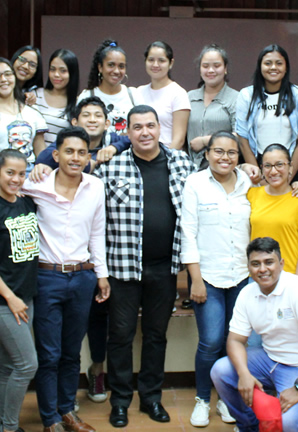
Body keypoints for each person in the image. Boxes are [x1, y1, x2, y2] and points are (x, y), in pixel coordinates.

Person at [93, 105, 195, 427]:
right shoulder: (111, 167)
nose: (145, 132)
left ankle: (151, 398)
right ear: (128, 133)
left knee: (155, 335)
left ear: (159, 127)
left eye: (150, 125)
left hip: (164, 268)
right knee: (120, 336)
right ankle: (120, 401)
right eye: (137, 127)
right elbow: (94, 218)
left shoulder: (182, 163)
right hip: (122, 269)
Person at [21, 127, 109, 432]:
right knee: (49, 354)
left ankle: (67, 410)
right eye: (68, 151)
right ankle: (50, 419)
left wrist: (102, 274)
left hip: (82, 277)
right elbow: (4, 188)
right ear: (56, 154)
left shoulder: (95, 186)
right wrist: (35, 168)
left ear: (88, 156)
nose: (75, 158)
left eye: (81, 152)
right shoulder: (36, 183)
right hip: (46, 278)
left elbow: (97, 232)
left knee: (72, 352)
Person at [210, 237, 298, 432]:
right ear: (249, 267)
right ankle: (250, 426)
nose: (262, 269)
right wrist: (244, 374)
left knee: (291, 424)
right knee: (220, 371)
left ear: (281, 264)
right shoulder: (247, 294)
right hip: (271, 359)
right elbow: (235, 340)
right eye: (256, 264)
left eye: (268, 262)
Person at [182, 131, 252, 427]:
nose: (225, 157)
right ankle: (202, 399)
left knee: (233, 341)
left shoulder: (248, 182)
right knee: (210, 341)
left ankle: (226, 398)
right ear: (207, 153)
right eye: (219, 151)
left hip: (243, 277)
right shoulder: (195, 183)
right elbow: (188, 232)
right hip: (207, 277)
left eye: (232, 152)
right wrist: (195, 279)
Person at [0, 149, 41, 432]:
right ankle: (10, 428)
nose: (16, 178)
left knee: (9, 365)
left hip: (25, 296)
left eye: (21, 173)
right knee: (27, 365)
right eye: (10, 172)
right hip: (1, 300)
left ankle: (4, 424)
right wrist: (10, 297)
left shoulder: (27, 204)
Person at [235, 44, 298, 180]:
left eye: (279, 63)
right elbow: (243, 139)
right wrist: (259, 176)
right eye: (268, 63)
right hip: (257, 167)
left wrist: (289, 177)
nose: (273, 68)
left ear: (286, 67)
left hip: (290, 167)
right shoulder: (246, 95)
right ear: (260, 67)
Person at [248, 144, 298, 276]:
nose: (273, 171)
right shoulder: (251, 194)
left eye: (279, 165)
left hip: (289, 275)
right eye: (268, 166)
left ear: (291, 167)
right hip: (257, 276)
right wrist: (244, 166)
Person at [35, 96, 131, 175]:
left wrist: (114, 147)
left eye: (98, 116)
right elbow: (43, 158)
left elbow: (133, 139)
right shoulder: (68, 140)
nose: (92, 120)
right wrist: (87, 164)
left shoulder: (112, 139)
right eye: (86, 115)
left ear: (106, 124)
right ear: (75, 122)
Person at [187, 44, 241, 169]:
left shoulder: (236, 98)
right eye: (205, 66)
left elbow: (240, 136)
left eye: (216, 66)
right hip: (190, 168)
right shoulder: (189, 97)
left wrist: (205, 141)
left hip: (224, 167)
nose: (211, 70)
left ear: (225, 68)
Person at [135, 41, 191, 149]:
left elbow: (178, 140)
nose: (155, 65)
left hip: (166, 158)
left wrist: (164, 162)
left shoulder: (178, 93)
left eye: (161, 60)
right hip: (139, 156)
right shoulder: (138, 92)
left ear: (171, 63)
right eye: (151, 60)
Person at [78, 39, 136, 135]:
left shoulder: (133, 95)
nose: (116, 71)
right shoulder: (87, 95)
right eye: (111, 65)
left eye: (121, 66)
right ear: (100, 67)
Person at [32, 49, 78, 146]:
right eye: (52, 69)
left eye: (63, 71)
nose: (56, 75)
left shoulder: (77, 103)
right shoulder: (35, 96)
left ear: (72, 74)